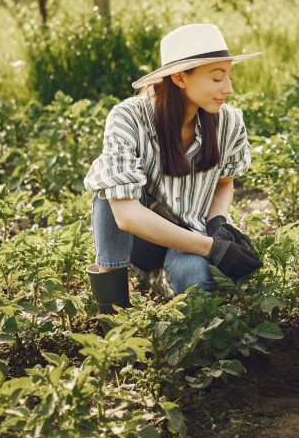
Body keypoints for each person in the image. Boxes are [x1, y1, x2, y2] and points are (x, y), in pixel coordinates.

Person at [83, 23, 263, 317]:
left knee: (196, 283)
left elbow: (224, 181)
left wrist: (217, 224)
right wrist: (210, 248)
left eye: (230, 76)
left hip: (192, 233)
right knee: (108, 192)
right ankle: (112, 314)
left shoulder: (229, 122)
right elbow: (126, 216)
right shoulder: (129, 118)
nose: (228, 88)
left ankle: (161, 281)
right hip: (140, 240)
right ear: (180, 77)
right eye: (217, 78)